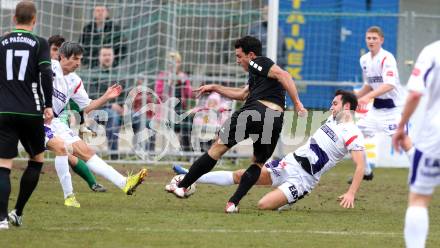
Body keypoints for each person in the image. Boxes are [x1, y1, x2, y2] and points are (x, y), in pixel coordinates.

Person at [166, 36, 307, 213]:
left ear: (251, 55)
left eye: (239, 56)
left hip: (254, 111)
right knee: (258, 163)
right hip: (274, 119)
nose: (237, 60)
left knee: (217, 149)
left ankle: (183, 185)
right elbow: (242, 94)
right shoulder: (259, 75)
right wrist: (215, 87)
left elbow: (284, 75)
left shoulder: (258, 62)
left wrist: (298, 103)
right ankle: (233, 203)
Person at [172, 90, 365, 211]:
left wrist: (351, 193)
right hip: (289, 162)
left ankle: (290, 200)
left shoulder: (353, 133)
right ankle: (191, 176)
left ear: (346, 107)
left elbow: (360, 166)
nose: (331, 107)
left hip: (304, 179)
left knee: (263, 205)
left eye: (335, 104)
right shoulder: (332, 119)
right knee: (241, 175)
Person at [44, 41, 147, 208]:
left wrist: (106, 96)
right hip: (34, 119)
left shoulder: (74, 81)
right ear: (62, 57)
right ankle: (69, 196)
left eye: (80, 59)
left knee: (86, 151)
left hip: (54, 122)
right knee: (60, 149)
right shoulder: (50, 66)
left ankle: (124, 183)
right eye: (75, 58)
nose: (78, 63)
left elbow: (87, 107)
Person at [0, 1, 53, 229]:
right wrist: (48, 105)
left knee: (3, 165)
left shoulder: (1, 42)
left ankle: (1, 218)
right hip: (31, 111)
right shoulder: (39, 43)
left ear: (14, 19)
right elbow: (46, 75)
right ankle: (18, 212)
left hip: (4, 110)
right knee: (37, 160)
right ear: (34, 19)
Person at [392, 40, 440, 248]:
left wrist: (401, 126)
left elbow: (415, 94)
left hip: (435, 135)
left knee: (419, 199)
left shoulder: (432, 51)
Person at [48, 35, 106, 193]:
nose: (56, 53)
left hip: (57, 120)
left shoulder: (70, 79)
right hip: (34, 119)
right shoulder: (43, 70)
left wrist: (82, 124)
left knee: (69, 152)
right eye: (53, 49)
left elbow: (80, 106)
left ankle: (92, 183)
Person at [351, 26, 405, 183]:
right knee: (353, 134)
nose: (371, 41)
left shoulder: (387, 58)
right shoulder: (364, 60)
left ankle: (423, 174)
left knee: (405, 143)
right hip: (375, 111)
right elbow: (369, 84)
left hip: (393, 110)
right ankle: (366, 170)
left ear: (381, 40)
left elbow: (389, 85)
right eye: (368, 38)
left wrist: (367, 98)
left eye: (374, 38)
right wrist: (354, 97)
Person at [88, 46, 123, 160]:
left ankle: (149, 155)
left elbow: (124, 94)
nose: (107, 57)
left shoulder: (119, 73)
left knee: (142, 119)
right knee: (113, 115)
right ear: (99, 57)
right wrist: (110, 105)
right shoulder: (93, 74)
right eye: (104, 55)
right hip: (98, 111)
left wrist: (125, 107)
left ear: (113, 57)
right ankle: (113, 155)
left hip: (119, 111)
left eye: (109, 55)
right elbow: (91, 98)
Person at [155, 51, 193, 152]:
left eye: (176, 62)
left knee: (188, 121)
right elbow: (158, 95)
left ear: (179, 64)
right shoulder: (162, 76)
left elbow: (190, 95)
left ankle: (186, 150)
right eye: (170, 62)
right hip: (165, 111)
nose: (173, 65)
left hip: (180, 110)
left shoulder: (183, 76)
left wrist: (184, 82)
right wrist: (169, 83)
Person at [248, 3, 287, 69]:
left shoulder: (279, 31)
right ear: (262, 13)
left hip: (277, 67)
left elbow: (284, 50)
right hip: (259, 68)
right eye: (265, 13)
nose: (267, 15)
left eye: (269, 13)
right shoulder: (254, 30)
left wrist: (282, 63)